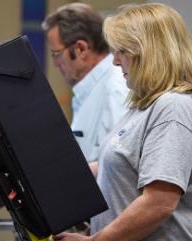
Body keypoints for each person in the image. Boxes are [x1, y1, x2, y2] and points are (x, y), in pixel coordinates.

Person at [48, 3, 192, 241]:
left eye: (121, 51)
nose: (115, 61)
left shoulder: (175, 108)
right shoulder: (144, 105)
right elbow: (126, 164)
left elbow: (158, 203)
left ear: (148, 53)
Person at [42, 3, 129, 162]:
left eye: (56, 54)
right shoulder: (90, 90)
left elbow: (124, 162)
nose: (55, 63)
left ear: (81, 49)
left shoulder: (116, 89)